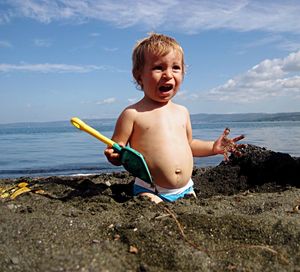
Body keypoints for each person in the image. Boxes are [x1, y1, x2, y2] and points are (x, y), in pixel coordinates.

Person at [104, 33, 244, 203]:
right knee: (152, 205)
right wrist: (115, 155)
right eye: (158, 68)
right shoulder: (132, 114)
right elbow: (118, 148)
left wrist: (213, 147)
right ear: (139, 75)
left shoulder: (182, 111)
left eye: (175, 67)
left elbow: (190, 145)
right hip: (150, 189)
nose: (168, 74)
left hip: (186, 189)